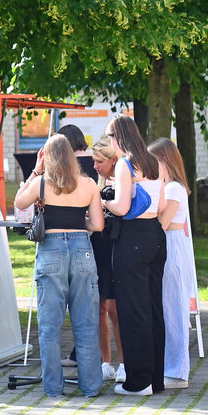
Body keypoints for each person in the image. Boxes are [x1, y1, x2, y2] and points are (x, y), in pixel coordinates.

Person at [16, 134, 104, 397]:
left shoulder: (42, 184)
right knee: (86, 324)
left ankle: (54, 388)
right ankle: (90, 387)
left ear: (48, 157)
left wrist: (35, 169)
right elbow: (98, 225)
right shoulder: (89, 184)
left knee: (50, 326)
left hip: (51, 249)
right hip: (81, 251)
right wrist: (79, 227)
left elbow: (19, 202)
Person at [103, 115, 166, 396]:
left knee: (132, 309)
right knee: (153, 307)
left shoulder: (124, 164)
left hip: (133, 238)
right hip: (155, 235)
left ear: (119, 137)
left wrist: (104, 199)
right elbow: (161, 203)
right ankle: (156, 379)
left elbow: (122, 205)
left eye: (109, 137)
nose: (109, 143)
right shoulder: (154, 162)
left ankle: (139, 382)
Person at [52, 124, 116, 379]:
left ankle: (92, 357)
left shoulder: (67, 169)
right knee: (102, 302)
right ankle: (103, 359)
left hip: (80, 239)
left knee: (89, 302)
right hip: (100, 238)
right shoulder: (95, 165)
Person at [148, 138, 197, 390]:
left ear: (163, 162)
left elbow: (162, 222)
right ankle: (169, 366)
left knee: (174, 309)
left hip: (172, 246)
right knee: (166, 308)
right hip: (167, 244)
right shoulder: (169, 187)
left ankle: (178, 371)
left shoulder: (174, 188)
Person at [89, 136, 125, 380]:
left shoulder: (123, 182)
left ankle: (124, 361)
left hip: (115, 249)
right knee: (100, 307)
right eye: (93, 160)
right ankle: (106, 362)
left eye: (99, 161)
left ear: (113, 160)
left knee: (115, 309)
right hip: (98, 248)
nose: (95, 165)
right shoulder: (97, 184)